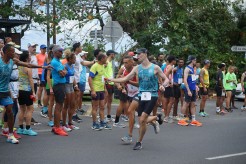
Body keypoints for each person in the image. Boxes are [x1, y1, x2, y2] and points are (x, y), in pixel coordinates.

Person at [108, 48, 168, 150]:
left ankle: (139, 141)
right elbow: (125, 79)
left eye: (139, 54)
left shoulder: (155, 67)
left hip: (152, 95)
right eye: (137, 54)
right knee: (142, 121)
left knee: (142, 119)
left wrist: (163, 86)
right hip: (141, 95)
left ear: (145, 54)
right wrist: (112, 79)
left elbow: (166, 79)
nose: (138, 56)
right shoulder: (137, 68)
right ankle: (156, 118)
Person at [0, 44, 50, 144]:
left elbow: (28, 65)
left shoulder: (13, 61)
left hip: (5, 91)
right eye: (12, 51)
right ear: (5, 52)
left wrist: (43, 66)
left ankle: (10, 135)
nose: (14, 53)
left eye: (14, 51)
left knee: (10, 110)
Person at [113, 55, 139, 128]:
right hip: (125, 89)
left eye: (126, 63)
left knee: (133, 107)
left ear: (132, 62)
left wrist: (128, 81)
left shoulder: (136, 70)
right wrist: (119, 86)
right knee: (123, 105)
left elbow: (138, 83)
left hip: (134, 91)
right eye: (124, 63)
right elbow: (117, 78)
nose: (125, 64)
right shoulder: (123, 69)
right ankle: (116, 122)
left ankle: (132, 121)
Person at [72, 42, 95, 123]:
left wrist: (92, 62)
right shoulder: (73, 56)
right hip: (73, 80)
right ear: (77, 48)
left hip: (77, 80)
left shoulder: (78, 56)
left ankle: (74, 114)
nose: (81, 48)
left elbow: (83, 63)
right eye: (80, 46)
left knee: (76, 97)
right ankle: (72, 115)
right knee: (73, 98)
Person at [17, 51, 38, 136]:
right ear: (26, 58)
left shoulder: (18, 66)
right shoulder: (28, 67)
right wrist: (33, 91)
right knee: (30, 109)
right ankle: (28, 128)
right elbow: (30, 80)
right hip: (26, 90)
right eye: (29, 56)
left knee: (22, 109)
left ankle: (20, 128)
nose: (30, 57)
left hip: (19, 90)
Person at [178, 55, 202, 127]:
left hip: (193, 88)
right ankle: (181, 120)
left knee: (193, 104)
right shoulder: (187, 68)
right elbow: (185, 80)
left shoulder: (193, 68)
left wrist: (196, 86)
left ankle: (193, 120)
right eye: (195, 60)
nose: (196, 61)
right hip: (188, 88)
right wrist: (188, 90)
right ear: (192, 60)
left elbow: (193, 79)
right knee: (186, 103)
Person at [50, 45, 68, 136]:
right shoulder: (55, 62)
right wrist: (64, 71)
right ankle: (57, 127)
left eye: (62, 51)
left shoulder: (58, 62)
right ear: (55, 52)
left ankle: (56, 126)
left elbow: (65, 71)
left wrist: (64, 71)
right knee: (58, 105)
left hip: (61, 85)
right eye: (60, 51)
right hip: (58, 85)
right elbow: (63, 74)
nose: (61, 53)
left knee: (60, 105)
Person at [62, 53, 80, 131]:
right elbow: (62, 75)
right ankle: (63, 124)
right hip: (66, 86)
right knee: (66, 105)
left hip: (71, 86)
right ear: (69, 59)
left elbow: (73, 77)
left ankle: (70, 123)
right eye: (74, 59)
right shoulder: (65, 66)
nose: (75, 60)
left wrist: (75, 85)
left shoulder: (72, 66)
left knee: (72, 104)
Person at [162, 55, 176, 123]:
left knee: (166, 100)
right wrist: (169, 82)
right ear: (172, 60)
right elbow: (166, 74)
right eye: (175, 60)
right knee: (171, 100)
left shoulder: (167, 66)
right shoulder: (170, 67)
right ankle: (166, 116)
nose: (175, 61)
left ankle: (166, 116)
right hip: (168, 85)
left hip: (166, 85)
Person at [105, 50, 117, 122]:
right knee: (105, 100)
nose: (114, 56)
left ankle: (108, 115)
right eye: (114, 54)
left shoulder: (109, 62)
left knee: (110, 100)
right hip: (107, 83)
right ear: (111, 54)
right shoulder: (106, 62)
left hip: (111, 83)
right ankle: (102, 116)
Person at [36, 44, 47, 109]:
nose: (44, 49)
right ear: (40, 49)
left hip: (45, 73)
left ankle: (45, 102)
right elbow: (35, 64)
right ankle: (39, 102)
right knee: (41, 88)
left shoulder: (46, 55)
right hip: (39, 73)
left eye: (45, 48)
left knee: (46, 88)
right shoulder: (37, 56)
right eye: (43, 48)